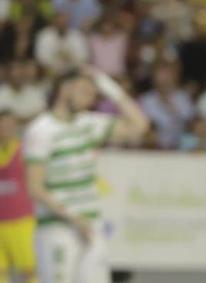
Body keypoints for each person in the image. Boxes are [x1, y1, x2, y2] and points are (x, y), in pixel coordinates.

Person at [24, 67, 148, 283]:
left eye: (93, 94)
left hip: (91, 226)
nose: (90, 99)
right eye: (84, 92)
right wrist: (74, 218)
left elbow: (140, 125)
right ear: (65, 89)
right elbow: (35, 187)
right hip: (57, 227)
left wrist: (106, 84)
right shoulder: (41, 130)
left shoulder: (89, 123)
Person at [0, 103, 37, 283]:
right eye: (3, 123)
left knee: (29, 273)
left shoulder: (26, 150)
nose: (7, 127)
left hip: (22, 221)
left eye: (11, 123)